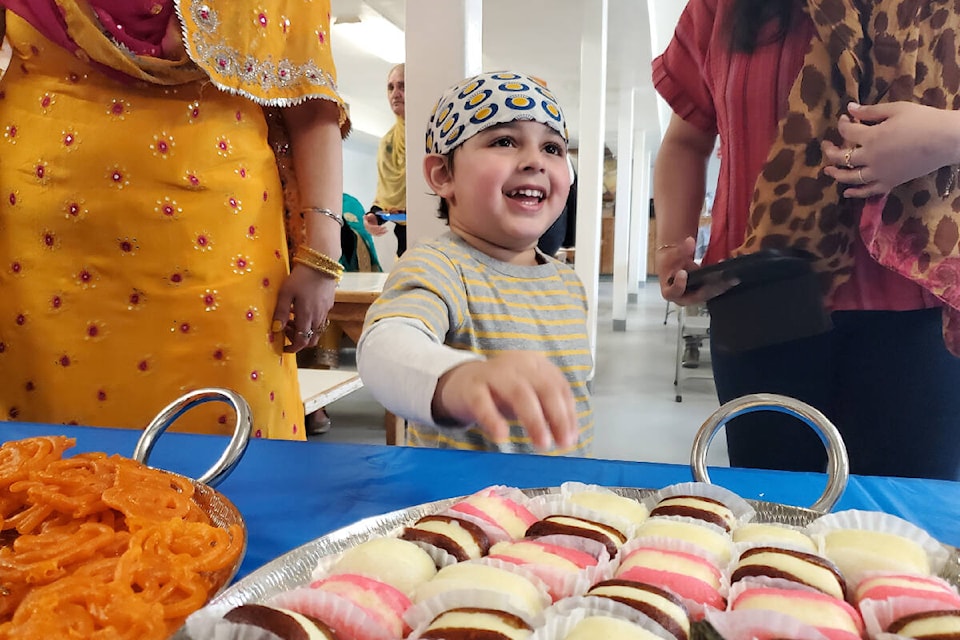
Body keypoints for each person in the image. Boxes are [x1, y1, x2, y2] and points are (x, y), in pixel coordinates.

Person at [0, 1, 350, 439]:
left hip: (223, 254)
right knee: (51, 477)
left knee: (233, 449)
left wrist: (322, 257)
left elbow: (311, 103)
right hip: (38, 259)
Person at [653, 0, 960, 480]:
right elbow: (686, 140)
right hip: (763, 302)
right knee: (771, 519)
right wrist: (673, 246)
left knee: (904, 535)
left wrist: (944, 136)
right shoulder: (724, 7)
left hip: (923, 307)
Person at [356, 71, 593, 455]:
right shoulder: (438, 267)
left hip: (561, 501)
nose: (535, 160)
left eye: (553, 148)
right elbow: (385, 347)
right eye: (504, 141)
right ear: (443, 175)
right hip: (467, 509)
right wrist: (461, 378)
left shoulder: (568, 283)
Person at [364, 63, 408, 257]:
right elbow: (387, 198)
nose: (395, 94)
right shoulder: (388, 143)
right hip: (406, 245)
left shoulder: (433, 137)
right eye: (391, 87)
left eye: (403, 86)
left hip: (441, 240)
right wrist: (373, 217)